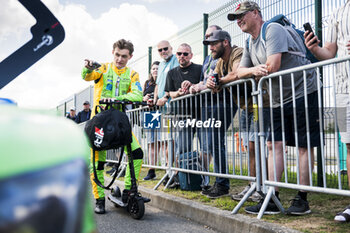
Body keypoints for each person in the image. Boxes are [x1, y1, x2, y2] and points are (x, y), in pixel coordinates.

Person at [230, 1, 320, 215]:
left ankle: (302, 198)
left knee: (302, 146)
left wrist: (252, 70)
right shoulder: (250, 42)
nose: (239, 21)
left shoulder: (273, 29)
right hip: (276, 99)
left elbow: (272, 66)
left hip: (302, 92)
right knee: (273, 145)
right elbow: (238, 73)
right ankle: (273, 197)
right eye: (236, 19)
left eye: (242, 16)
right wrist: (253, 70)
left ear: (255, 13)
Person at [81, 39, 145, 214]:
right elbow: (87, 76)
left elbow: (138, 94)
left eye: (124, 56)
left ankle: (129, 191)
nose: (119, 59)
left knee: (137, 152)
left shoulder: (132, 74)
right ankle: (99, 199)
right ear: (113, 52)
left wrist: (119, 98)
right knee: (97, 163)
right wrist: (88, 67)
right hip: (99, 124)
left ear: (130, 56)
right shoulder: (103, 68)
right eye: (117, 55)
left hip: (119, 123)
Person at [304, 0, 350, 222]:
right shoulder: (337, 12)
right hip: (344, 88)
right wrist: (314, 48)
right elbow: (329, 53)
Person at [201, 30, 243, 198]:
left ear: (225, 42)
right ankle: (221, 183)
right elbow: (214, 80)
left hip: (252, 102)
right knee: (213, 141)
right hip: (237, 102)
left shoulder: (237, 52)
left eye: (214, 43)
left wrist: (217, 81)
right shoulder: (219, 61)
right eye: (209, 44)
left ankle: (223, 184)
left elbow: (236, 73)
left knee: (216, 141)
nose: (210, 47)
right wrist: (212, 82)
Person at [164, 43, 202, 188]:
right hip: (182, 115)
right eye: (179, 53)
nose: (182, 56)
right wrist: (179, 93)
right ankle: (182, 178)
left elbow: (204, 84)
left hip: (200, 114)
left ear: (191, 55)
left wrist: (193, 86)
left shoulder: (199, 69)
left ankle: (203, 178)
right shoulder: (172, 73)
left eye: (185, 54)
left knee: (205, 147)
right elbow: (169, 93)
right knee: (182, 148)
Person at [190, 25, 222, 192]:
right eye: (206, 38)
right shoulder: (207, 58)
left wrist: (202, 86)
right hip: (206, 104)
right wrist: (195, 86)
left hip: (220, 102)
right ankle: (206, 180)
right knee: (206, 145)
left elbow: (217, 79)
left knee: (215, 143)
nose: (209, 42)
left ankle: (221, 182)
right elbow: (204, 80)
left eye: (211, 37)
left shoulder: (223, 56)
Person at [153, 40, 179, 185]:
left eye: (165, 49)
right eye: (160, 50)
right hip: (162, 108)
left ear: (171, 48)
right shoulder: (161, 64)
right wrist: (155, 98)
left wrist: (166, 96)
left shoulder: (176, 60)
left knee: (172, 141)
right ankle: (169, 173)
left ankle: (175, 173)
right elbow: (158, 84)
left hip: (172, 107)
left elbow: (175, 81)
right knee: (164, 142)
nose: (163, 52)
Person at [143, 61, 161, 180]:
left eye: (157, 68)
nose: (155, 70)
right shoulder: (147, 83)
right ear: (150, 70)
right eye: (153, 68)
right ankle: (151, 170)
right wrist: (144, 98)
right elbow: (141, 96)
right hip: (149, 114)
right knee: (151, 144)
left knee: (161, 143)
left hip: (160, 112)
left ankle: (167, 169)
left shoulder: (162, 81)